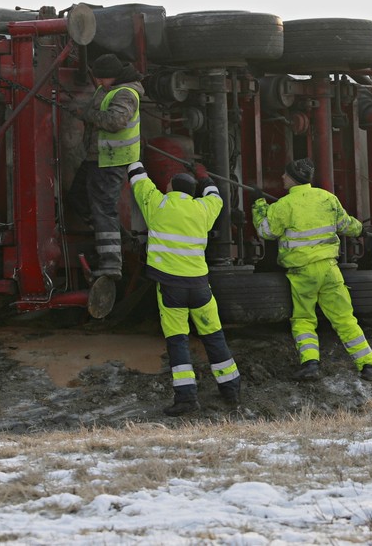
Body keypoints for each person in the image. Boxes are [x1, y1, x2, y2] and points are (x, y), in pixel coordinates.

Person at [126, 161, 241, 416]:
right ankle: (231, 388)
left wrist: (133, 157)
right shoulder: (202, 208)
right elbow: (216, 197)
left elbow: (139, 180)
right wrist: (205, 176)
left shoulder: (159, 204)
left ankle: (187, 398)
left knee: (178, 340)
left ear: (170, 188)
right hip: (200, 285)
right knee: (214, 335)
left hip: (171, 288)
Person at [252, 158, 372, 383]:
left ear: (293, 178)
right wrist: (362, 229)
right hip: (330, 270)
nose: (282, 177)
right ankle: (369, 365)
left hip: (302, 273)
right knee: (344, 318)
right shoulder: (327, 198)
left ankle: (310, 364)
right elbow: (346, 225)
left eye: (285, 174)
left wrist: (259, 206)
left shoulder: (284, 205)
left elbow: (266, 231)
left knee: (303, 318)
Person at [66, 54, 144, 280]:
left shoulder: (126, 93)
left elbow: (116, 122)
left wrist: (87, 115)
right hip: (97, 157)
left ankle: (111, 264)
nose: (98, 82)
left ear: (114, 75)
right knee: (78, 199)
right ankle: (120, 239)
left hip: (112, 160)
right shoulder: (110, 89)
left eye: (102, 78)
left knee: (103, 210)